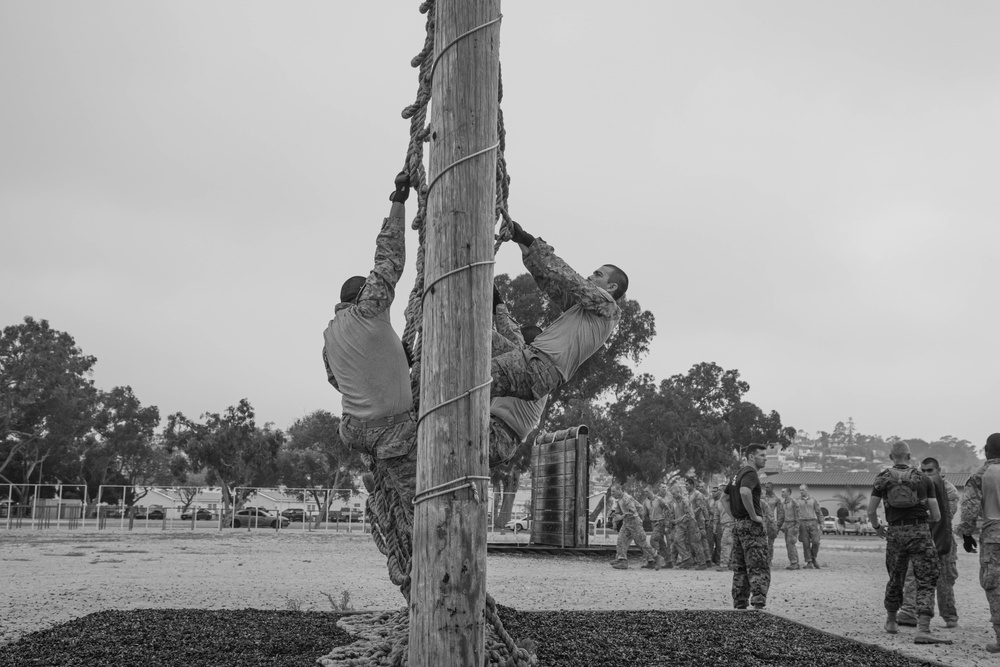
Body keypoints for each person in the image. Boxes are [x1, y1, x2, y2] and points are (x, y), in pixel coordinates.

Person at [323, 171, 417, 521]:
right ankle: (386, 490)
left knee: (386, 447)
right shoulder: (370, 308)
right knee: (424, 496)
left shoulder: (330, 334)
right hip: (389, 429)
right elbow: (389, 259)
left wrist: (387, 366)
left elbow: (337, 380)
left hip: (353, 429)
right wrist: (398, 201)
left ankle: (378, 473)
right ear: (364, 296)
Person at [490, 221, 627, 402]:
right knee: (482, 338)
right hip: (531, 362)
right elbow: (550, 283)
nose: (590, 277)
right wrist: (521, 242)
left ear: (612, 287)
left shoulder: (608, 307)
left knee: (472, 380)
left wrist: (528, 239)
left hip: (537, 367)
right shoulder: (585, 309)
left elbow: (567, 277)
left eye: (597, 275)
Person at [868, 440, 950, 645]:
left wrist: (878, 527)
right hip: (920, 533)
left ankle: (891, 621)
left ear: (890, 457)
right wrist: (921, 520)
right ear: (909, 456)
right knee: (926, 578)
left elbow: (871, 511)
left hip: (894, 533)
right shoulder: (923, 479)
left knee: (895, 576)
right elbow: (937, 515)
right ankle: (923, 628)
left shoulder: (882, 478)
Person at [896, 457, 958, 629]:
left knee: (944, 580)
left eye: (929, 471)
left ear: (939, 471)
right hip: (921, 537)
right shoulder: (917, 488)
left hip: (942, 537)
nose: (926, 474)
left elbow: (945, 515)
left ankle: (949, 616)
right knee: (912, 575)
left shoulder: (949, 490)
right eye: (923, 471)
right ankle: (908, 612)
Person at [957, 432, 1000, 653]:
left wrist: (966, 535)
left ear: (985, 450)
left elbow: (970, 509)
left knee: (994, 586)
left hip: (993, 537)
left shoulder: (980, 475)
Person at [721, 444, 771, 609]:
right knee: (758, 565)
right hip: (751, 526)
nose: (765, 458)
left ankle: (740, 603)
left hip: (739, 526)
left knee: (740, 567)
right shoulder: (750, 473)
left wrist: (735, 516)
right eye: (762, 455)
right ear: (751, 457)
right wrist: (753, 515)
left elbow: (724, 498)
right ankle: (757, 603)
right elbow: (744, 492)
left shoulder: (737, 474)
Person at [608, 483, 659, 570]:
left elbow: (632, 511)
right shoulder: (619, 500)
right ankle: (622, 560)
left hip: (634, 523)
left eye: (613, 491)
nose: (612, 494)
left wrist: (639, 519)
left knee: (641, 543)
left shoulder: (626, 498)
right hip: (627, 523)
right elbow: (637, 507)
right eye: (611, 492)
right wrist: (615, 522)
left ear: (620, 490)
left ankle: (655, 558)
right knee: (621, 540)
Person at [670, 483, 708, 570]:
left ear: (679, 492)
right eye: (672, 494)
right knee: (677, 540)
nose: (673, 496)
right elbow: (674, 513)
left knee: (695, 543)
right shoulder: (675, 502)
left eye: (674, 494)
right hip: (682, 525)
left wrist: (677, 520)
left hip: (691, 524)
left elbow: (689, 515)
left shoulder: (685, 501)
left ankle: (702, 563)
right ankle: (687, 558)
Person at [644, 483, 672, 569]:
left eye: (647, 491)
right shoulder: (645, 502)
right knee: (661, 543)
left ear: (651, 490)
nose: (646, 493)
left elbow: (667, 509)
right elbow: (645, 514)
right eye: (644, 492)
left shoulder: (659, 500)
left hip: (660, 522)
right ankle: (669, 561)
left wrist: (667, 523)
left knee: (653, 540)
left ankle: (658, 558)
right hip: (653, 523)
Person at [797, 485, 822, 568]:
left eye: (803, 490)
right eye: (800, 490)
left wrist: (821, 522)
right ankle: (809, 562)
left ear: (807, 490)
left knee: (816, 542)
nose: (801, 492)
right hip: (802, 523)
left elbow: (818, 511)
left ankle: (814, 557)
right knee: (806, 543)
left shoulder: (813, 500)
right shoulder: (797, 501)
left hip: (812, 522)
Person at [776, 487, 801, 570]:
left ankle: (794, 562)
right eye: (781, 492)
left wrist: (796, 527)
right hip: (786, 525)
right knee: (788, 544)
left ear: (789, 493)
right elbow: (781, 517)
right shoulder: (783, 503)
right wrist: (778, 527)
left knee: (791, 543)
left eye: (783, 492)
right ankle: (793, 562)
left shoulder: (794, 502)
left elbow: (798, 515)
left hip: (792, 525)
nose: (782, 493)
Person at [687, 478, 711, 562]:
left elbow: (701, 507)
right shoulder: (688, 495)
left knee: (702, 539)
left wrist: (706, 519)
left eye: (687, 485)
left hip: (699, 521)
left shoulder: (697, 494)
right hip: (691, 521)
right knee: (693, 540)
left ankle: (707, 559)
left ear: (692, 485)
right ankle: (696, 559)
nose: (686, 486)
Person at [762, 481, 780, 563]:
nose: (766, 489)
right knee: (762, 541)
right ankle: (762, 559)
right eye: (765, 487)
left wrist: (778, 525)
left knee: (770, 543)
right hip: (762, 521)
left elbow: (780, 512)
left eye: (767, 487)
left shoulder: (776, 499)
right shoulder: (761, 497)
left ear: (772, 488)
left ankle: (769, 559)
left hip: (771, 522)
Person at [707, 486, 723, 565]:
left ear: (719, 492)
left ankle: (718, 559)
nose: (713, 493)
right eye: (712, 491)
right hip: (710, 523)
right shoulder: (710, 501)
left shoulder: (722, 501)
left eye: (715, 491)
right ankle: (709, 559)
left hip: (719, 523)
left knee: (719, 543)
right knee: (710, 542)